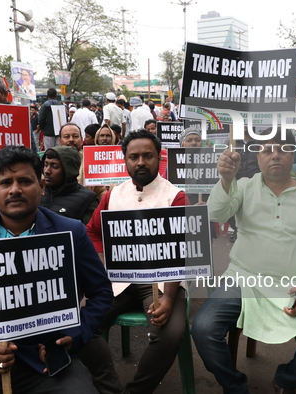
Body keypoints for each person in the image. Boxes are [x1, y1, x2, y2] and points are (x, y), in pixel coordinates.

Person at [0, 145, 113, 394]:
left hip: (47, 362)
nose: (15, 189)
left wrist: (74, 335)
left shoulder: (71, 231)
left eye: (24, 181)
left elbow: (101, 292)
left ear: (41, 187)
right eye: (6, 182)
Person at [191, 132, 296, 393]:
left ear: (294, 154)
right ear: (257, 157)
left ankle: (284, 380)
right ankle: (236, 387)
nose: (275, 155)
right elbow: (216, 213)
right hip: (243, 279)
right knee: (203, 328)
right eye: (267, 150)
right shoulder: (244, 185)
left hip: (295, 284)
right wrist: (226, 178)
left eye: (283, 149)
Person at [83, 129, 188, 394]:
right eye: (134, 157)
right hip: (119, 280)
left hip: (162, 281)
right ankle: (109, 388)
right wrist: (102, 264)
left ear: (158, 159)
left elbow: (184, 250)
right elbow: (92, 231)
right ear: (125, 161)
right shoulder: (112, 196)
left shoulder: (175, 196)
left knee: (170, 333)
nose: (140, 162)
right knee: (81, 324)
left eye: (147, 156)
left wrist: (169, 297)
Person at [40, 145, 98, 225]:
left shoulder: (88, 199)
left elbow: (88, 234)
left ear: (69, 170)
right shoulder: (36, 193)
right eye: (46, 165)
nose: (47, 171)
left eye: (55, 166)